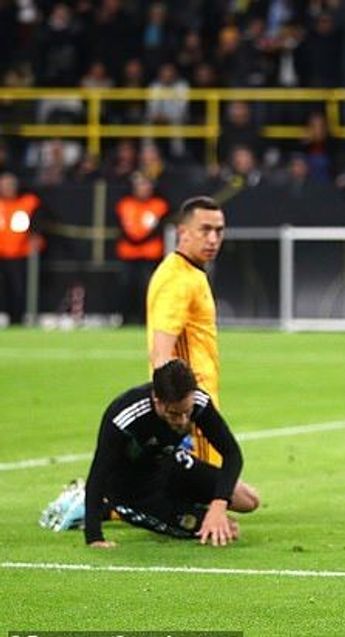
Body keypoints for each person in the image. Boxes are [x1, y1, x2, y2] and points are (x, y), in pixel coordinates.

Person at [82, 359, 258, 547]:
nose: (183, 421)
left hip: (169, 465)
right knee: (228, 529)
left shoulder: (198, 402)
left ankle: (189, 505)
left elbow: (232, 454)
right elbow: (99, 473)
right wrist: (94, 537)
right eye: (174, 414)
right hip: (135, 492)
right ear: (157, 400)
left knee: (248, 500)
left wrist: (219, 504)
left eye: (187, 412)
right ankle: (105, 508)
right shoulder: (125, 417)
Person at [146, 196, 225, 465]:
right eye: (205, 230)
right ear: (183, 232)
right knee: (213, 486)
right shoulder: (177, 280)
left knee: (227, 485)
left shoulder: (191, 274)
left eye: (218, 231)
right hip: (191, 408)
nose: (213, 239)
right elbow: (160, 355)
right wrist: (179, 414)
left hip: (197, 402)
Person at [115, 172, 168, 325]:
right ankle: (125, 319)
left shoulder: (159, 205)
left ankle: (146, 320)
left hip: (150, 255)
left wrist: (139, 239)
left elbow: (157, 229)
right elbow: (122, 227)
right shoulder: (124, 204)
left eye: (146, 184)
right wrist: (134, 239)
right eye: (140, 185)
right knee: (126, 286)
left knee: (148, 287)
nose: (143, 188)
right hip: (128, 254)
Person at [0, 172, 43, 325]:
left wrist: (36, 237)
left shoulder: (27, 202)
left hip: (20, 254)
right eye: (4, 185)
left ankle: (17, 319)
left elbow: (38, 224)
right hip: (1, 253)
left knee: (18, 289)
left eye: (10, 185)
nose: (7, 188)